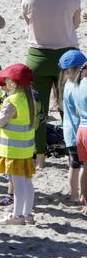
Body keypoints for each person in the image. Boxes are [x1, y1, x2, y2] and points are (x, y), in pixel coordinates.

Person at [22, 0, 80, 169]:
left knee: (39, 110)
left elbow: (27, 20)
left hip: (38, 56)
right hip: (66, 56)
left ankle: (40, 157)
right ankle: (71, 152)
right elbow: (75, 23)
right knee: (68, 108)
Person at [0, 64, 37, 225]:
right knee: (27, 182)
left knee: (18, 183)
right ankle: (27, 214)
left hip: (13, 149)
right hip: (25, 148)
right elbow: (12, 117)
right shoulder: (29, 97)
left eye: (6, 79)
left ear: (13, 82)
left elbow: (0, 120)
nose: (4, 81)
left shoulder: (12, 100)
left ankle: (17, 216)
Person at [59, 50, 87, 206]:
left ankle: (73, 195)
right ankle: (81, 195)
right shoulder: (77, 86)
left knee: (73, 165)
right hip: (78, 130)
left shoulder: (67, 85)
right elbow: (79, 110)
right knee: (82, 166)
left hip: (69, 132)